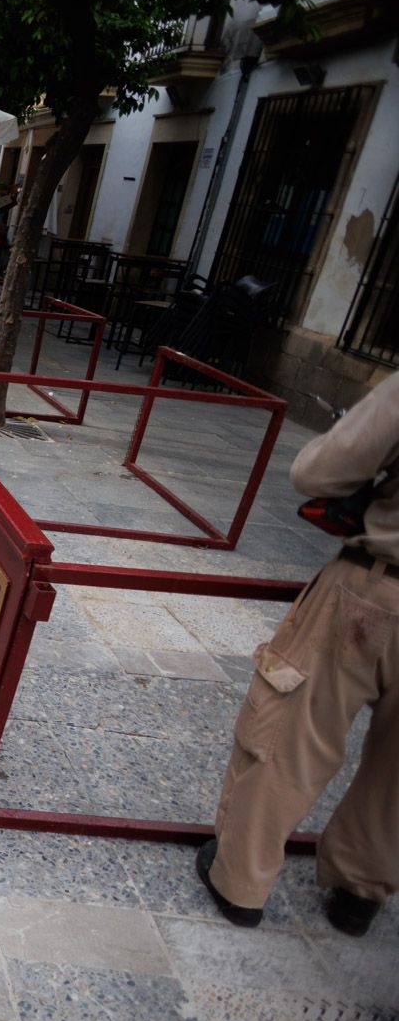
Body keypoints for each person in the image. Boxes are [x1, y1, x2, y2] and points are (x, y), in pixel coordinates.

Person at [196, 374, 398, 937]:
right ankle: (362, 891)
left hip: (376, 589)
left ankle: (239, 881)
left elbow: (317, 471)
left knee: (292, 735)